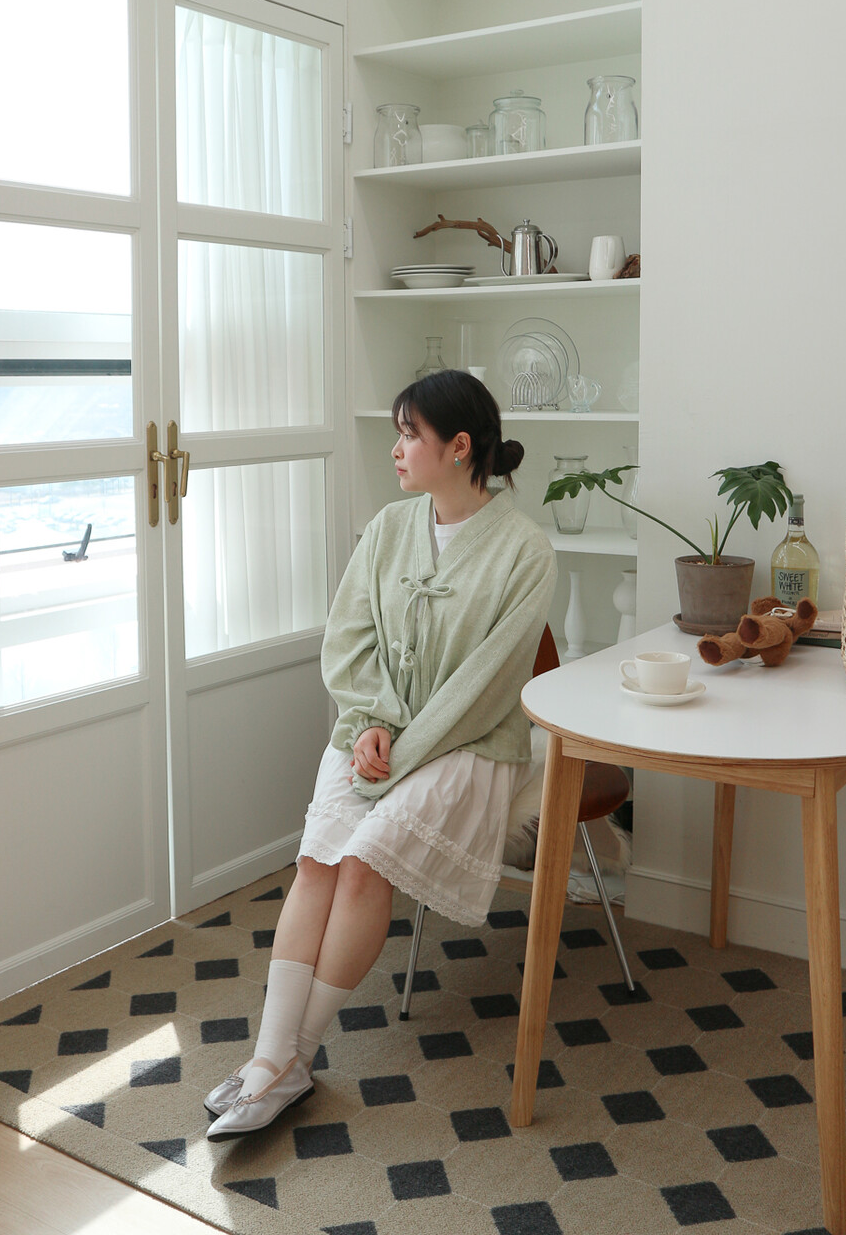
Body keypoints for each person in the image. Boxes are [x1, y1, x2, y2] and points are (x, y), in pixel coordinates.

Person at [205, 369, 557, 1138]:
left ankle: (290, 1060)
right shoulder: (389, 527)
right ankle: (272, 1061)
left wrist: (404, 748)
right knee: (317, 861)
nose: (396, 450)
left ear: (458, 447)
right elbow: (348, 637)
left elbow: (487, 685)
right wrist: (369, 721)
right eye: (397, 433)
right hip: (370, 732)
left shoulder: (526, 552)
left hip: (467, 743)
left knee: (363, 864)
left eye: (409, 435)